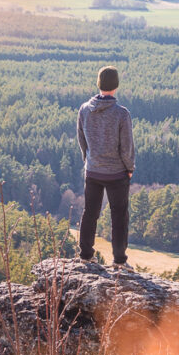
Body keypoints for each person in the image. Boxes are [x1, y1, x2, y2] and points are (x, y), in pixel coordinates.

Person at [77, 65, 135, 269]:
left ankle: (85, 255)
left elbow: (81, 140)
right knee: (119, 215)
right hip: (117, 173)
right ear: (116, 85)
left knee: (90, 212)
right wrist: (129, 168)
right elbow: (126, 146)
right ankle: (119, 261)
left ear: (99, 84)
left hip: (92, 170)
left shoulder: (84, 109)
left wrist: (89, 161)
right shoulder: (121, 114)